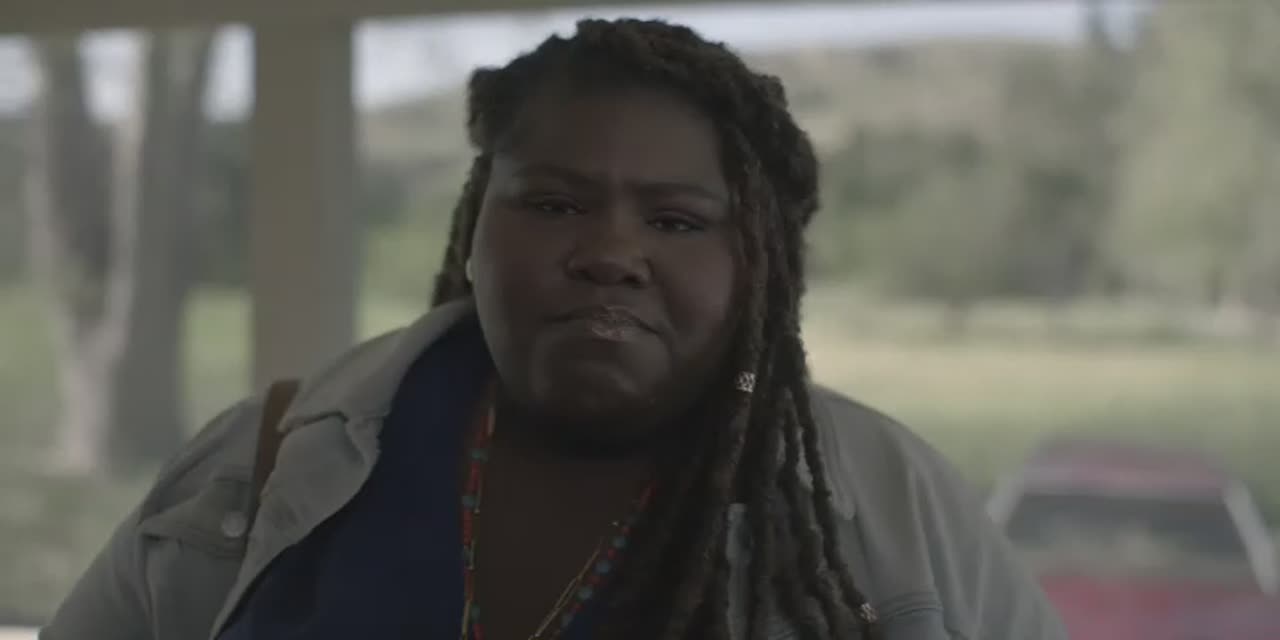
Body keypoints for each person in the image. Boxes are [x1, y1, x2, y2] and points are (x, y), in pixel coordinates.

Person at [41, 18, 1066, 640]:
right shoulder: (263, 460)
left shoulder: (888, 503)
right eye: (555, 204)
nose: (611, 252)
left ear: (757, 264)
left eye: (676, 221)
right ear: (476, 229)